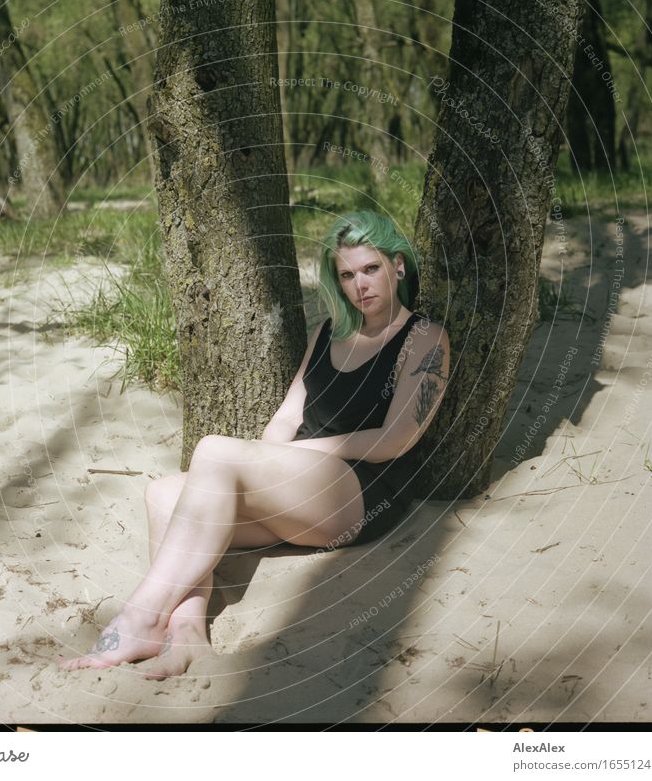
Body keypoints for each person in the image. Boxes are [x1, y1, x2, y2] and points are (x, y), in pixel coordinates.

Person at [58, 210, 450, 677]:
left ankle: (140, 615)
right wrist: (275, 456)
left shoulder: (425, 337)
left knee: (214, 451)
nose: (360, 285)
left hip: (360, 493)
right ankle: (186, 635)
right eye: (347, 274)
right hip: (297, 488)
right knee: (162, 492)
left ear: (398, 266)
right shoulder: (327, 333)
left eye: (371, 269)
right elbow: (286, 416)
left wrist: (293, 455)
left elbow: (395, 439)